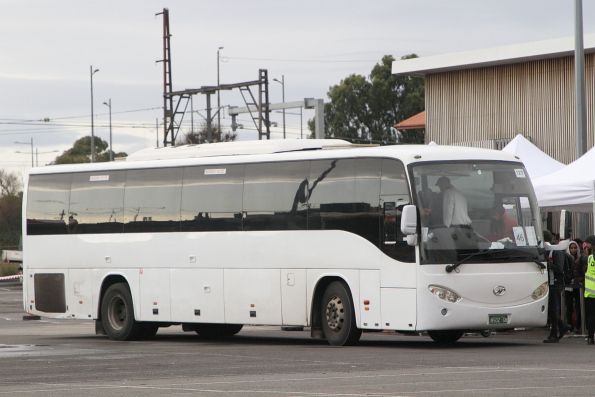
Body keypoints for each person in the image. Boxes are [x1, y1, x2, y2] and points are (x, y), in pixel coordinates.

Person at [543, 230, 570, 343]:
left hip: (556, 284)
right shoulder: (549, 251)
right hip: (550, 283)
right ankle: (561, 327)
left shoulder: (556, 251)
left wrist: (547, 264)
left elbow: (559, 268)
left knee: (554, 309)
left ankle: (555, 332)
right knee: (551, 309)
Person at [565, 241, 583, 333]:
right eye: (571, 248)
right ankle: (569, 326)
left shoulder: (580, 258)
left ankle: (579, 326)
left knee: (578, 306)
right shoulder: (565, 257)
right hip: (568, 286)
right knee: (569, 306)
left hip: (577, 286)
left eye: (575, 248)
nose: (573, 250)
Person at [583, 235, 595, 344]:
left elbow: (585, 271)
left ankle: (591, 337)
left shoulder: (590, 258)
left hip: (590, 292)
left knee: (591, 316)